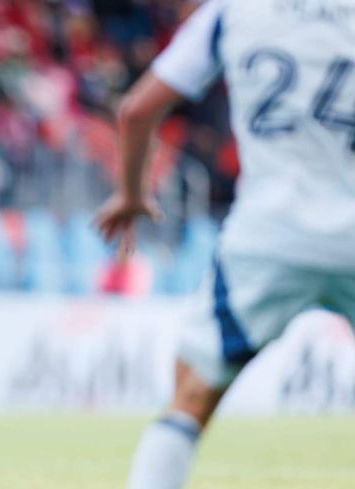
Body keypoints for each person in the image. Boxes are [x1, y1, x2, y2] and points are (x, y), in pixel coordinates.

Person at [93, 1, 355, 488]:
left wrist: (131, 194)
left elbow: (136, 109)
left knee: (190, 395)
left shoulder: (233, 11)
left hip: (270, 235)